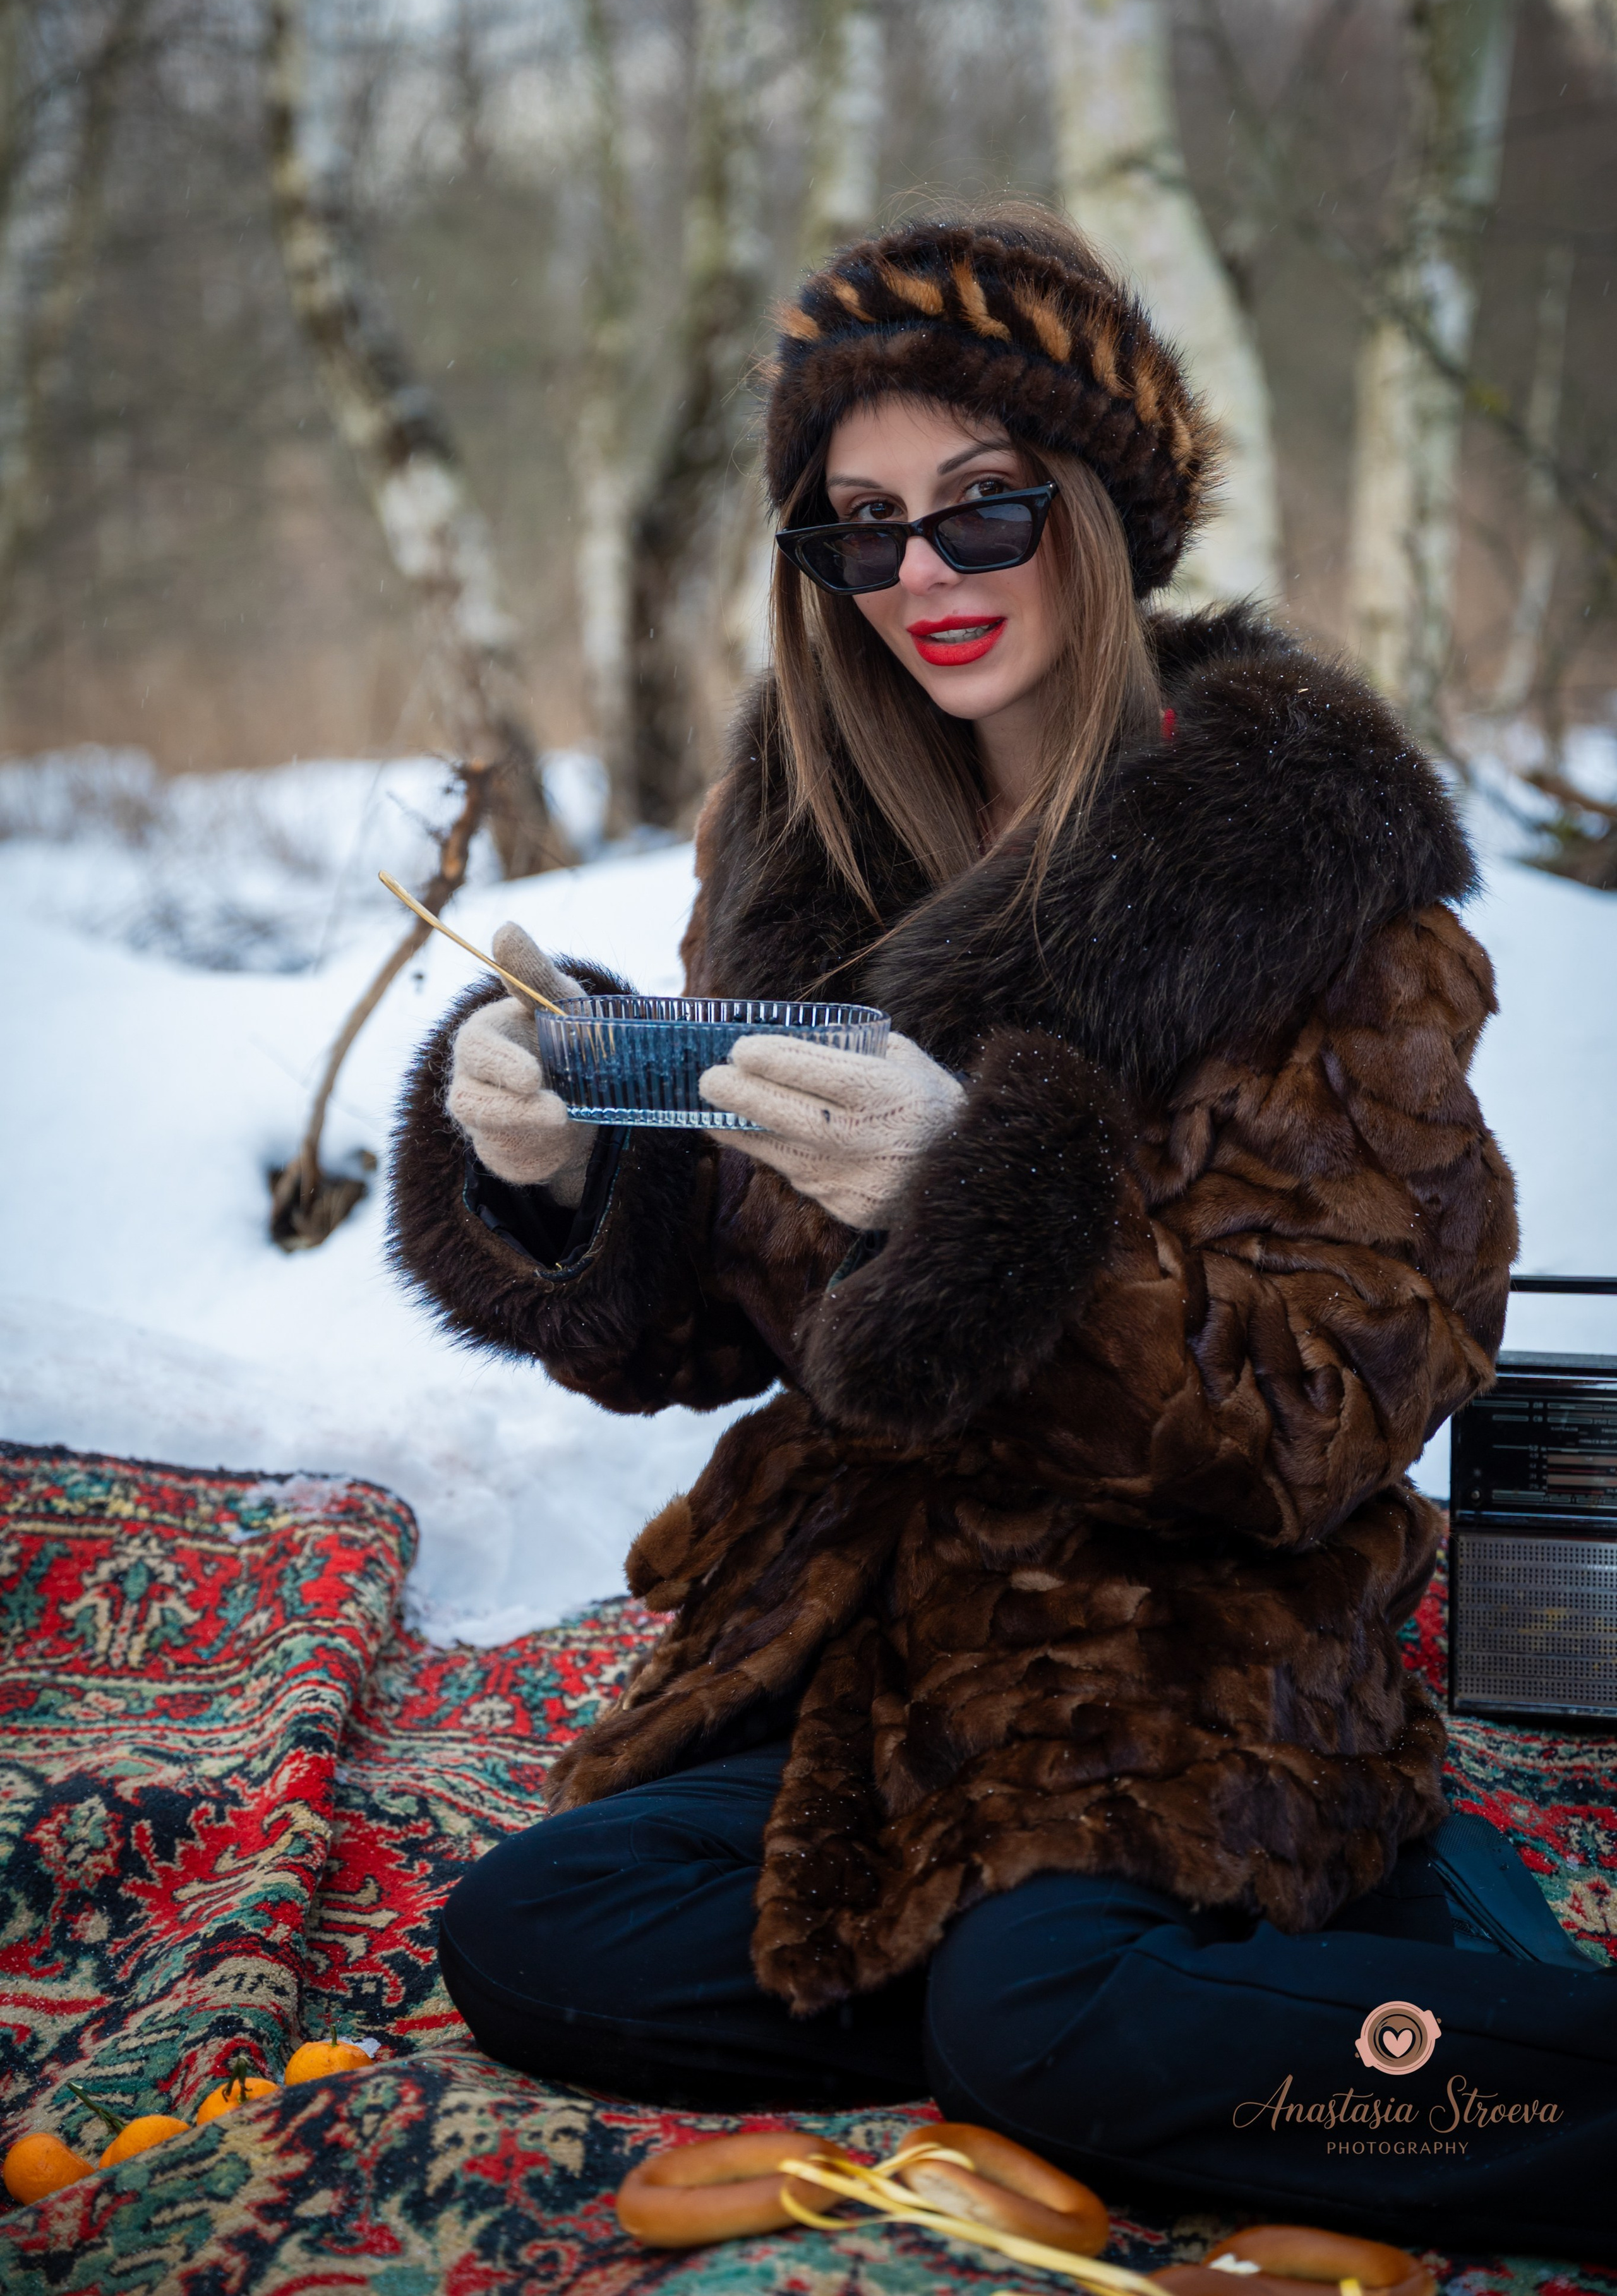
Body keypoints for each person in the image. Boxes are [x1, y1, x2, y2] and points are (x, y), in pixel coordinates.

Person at [390, 208, 1614, 2262]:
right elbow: (716, 1322)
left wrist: (982, 1205)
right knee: (533, 1931)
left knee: (1039, 2014)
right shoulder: (804, 852)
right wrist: (558, 1162)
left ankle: (1242, 1976)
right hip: (883, 1642)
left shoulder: (1324, 891)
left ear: (1105, 513)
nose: (922, 580)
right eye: (858, 532)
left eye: (981, 511)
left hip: (1197, 1645)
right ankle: (1215, 1979)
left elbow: (1328, 1415)